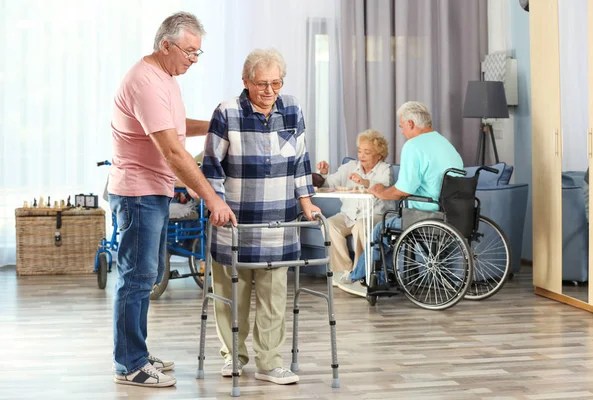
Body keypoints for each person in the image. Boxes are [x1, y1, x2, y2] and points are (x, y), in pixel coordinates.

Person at [108, 12, 236, 388]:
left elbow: (176, 129)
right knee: (136, 277)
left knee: (144, 276)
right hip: (138, 192)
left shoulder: (165, 77)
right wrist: (210, 197)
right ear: (166, 45)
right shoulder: (146, 82)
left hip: (153, 190)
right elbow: (173, 151)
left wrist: (214, 125)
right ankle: (129, 365)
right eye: (189, 51)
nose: (193, 60)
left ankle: (138, 353)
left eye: (198, 53)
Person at [203, 48, 320, 386]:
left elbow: (300, 162)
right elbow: (211, 167)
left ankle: (270, 362)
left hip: (278, 222)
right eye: (261, 84)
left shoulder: (292, 109)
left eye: (276, 83)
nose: (269, 90)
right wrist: (216, 205)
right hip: (234, 222)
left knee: (273, 297)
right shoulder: (227, 112)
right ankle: (233, 358)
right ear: (246, 82)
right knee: (231, 295)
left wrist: (307, 202)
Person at [342, 101, 464, 297]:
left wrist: (381, 192)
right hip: (454, 213)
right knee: (389, 228)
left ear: (411, 124)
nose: (402, 132)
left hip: (424, 214)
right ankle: (384, 276)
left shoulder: (414, 145)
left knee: (379, 231)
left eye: (402, 127)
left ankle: (358, 277)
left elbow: (403, 190)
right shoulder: (445, 143)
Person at [315, 129, 395, 288]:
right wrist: (323, 174)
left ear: (379, 155)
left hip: (376, 216)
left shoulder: (385, 169)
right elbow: (330, 183)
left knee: (361, 226)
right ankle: (342, 272)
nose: (362, 156)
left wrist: (364, 182)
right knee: (330, 224)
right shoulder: (349, 166)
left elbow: (383, 188)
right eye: (360, 151)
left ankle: (361, 273)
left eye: (367, 152)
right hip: (349, 215)